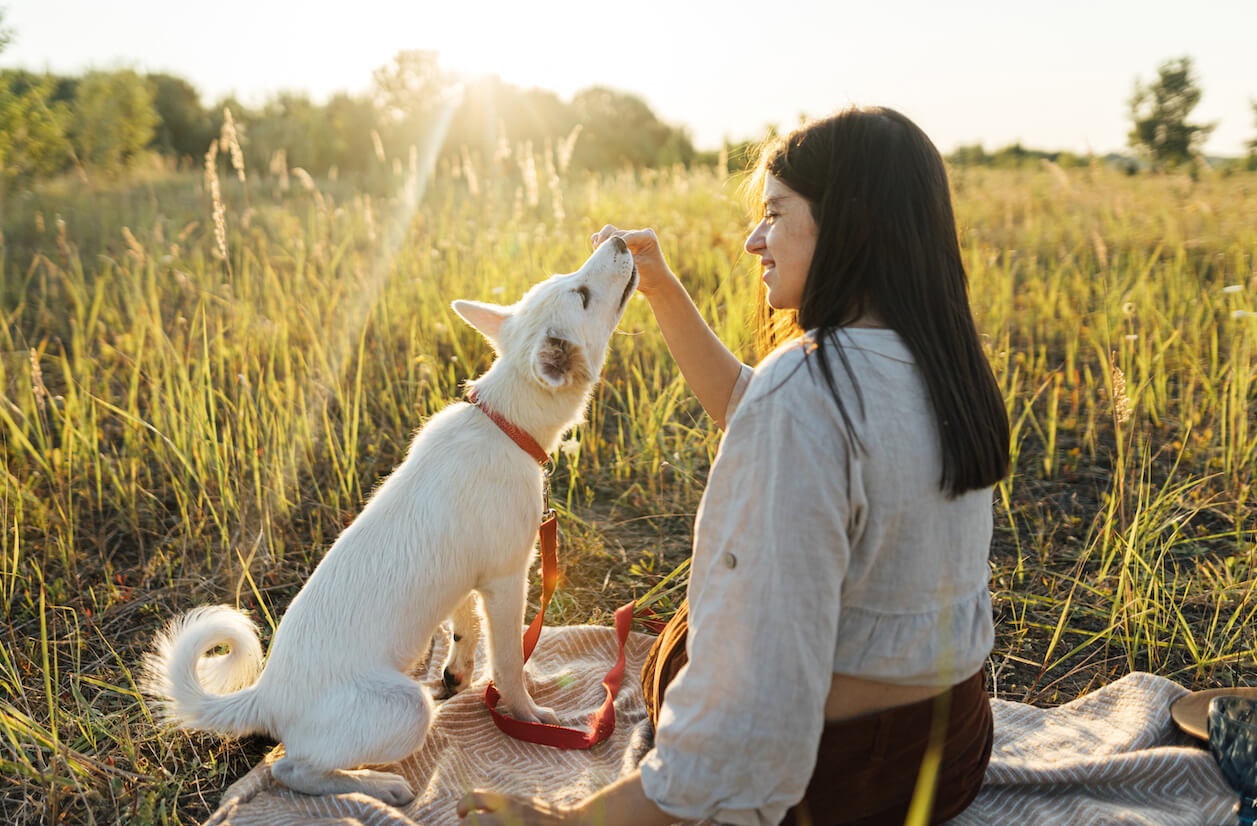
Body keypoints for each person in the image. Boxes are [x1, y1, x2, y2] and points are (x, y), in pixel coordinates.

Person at [458, 105, 1010, 826]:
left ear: (848, 222)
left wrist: (570, 823)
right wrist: (656, 286)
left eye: (775, 214)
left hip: (838, 776)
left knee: (703, 634)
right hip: (953, 754)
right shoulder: (931, 360)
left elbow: (745, 722)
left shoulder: (809, 387)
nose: (755, 239)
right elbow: (759, 408)